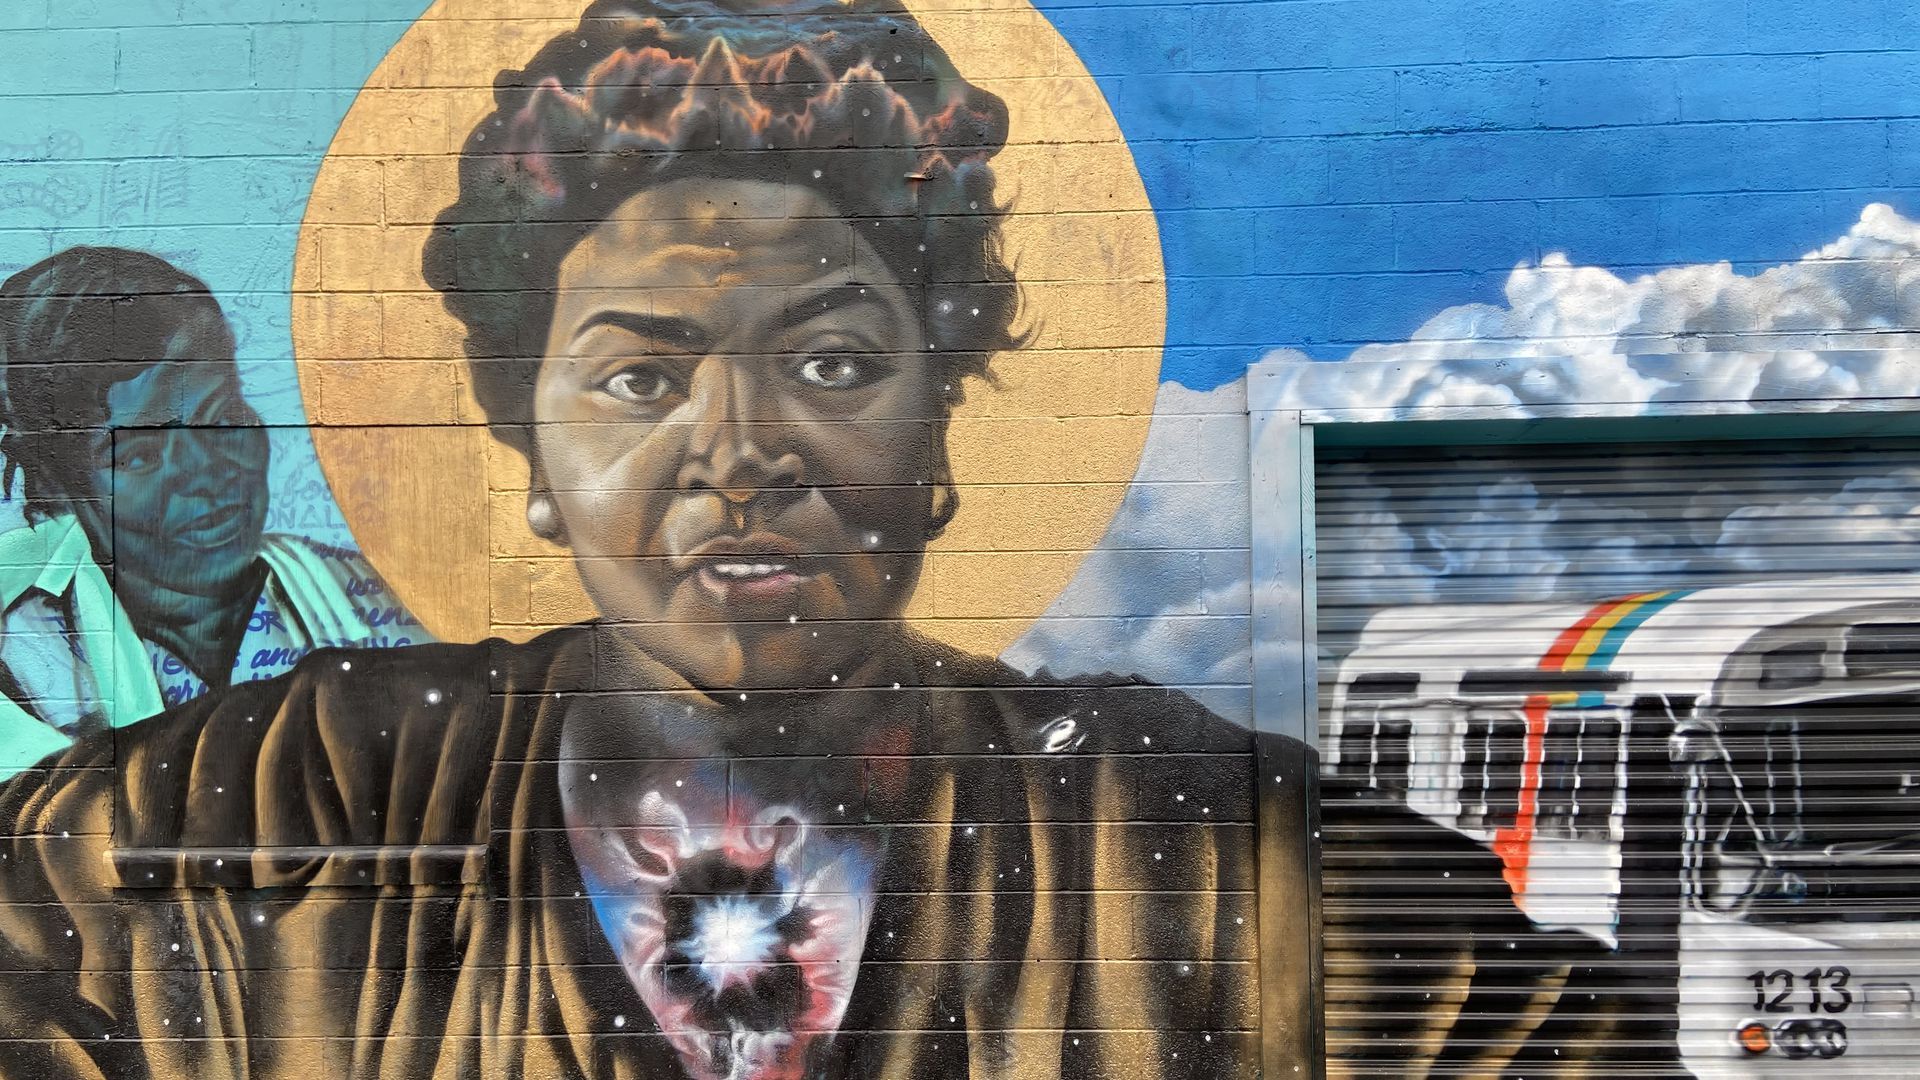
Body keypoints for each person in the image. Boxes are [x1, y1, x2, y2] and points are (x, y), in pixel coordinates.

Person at [0, 5, 1626, 1078]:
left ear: (943, 429)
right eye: (640, 379)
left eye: (835, 363)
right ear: (528, 449)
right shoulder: (281, 807)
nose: (741, 452)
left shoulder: (1196, 849)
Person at [0, 248, 425, 775]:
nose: (208, 471)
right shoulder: (25, 658)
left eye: (222, 418)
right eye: (139, 456)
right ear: (58, 485)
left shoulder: (361, 593)